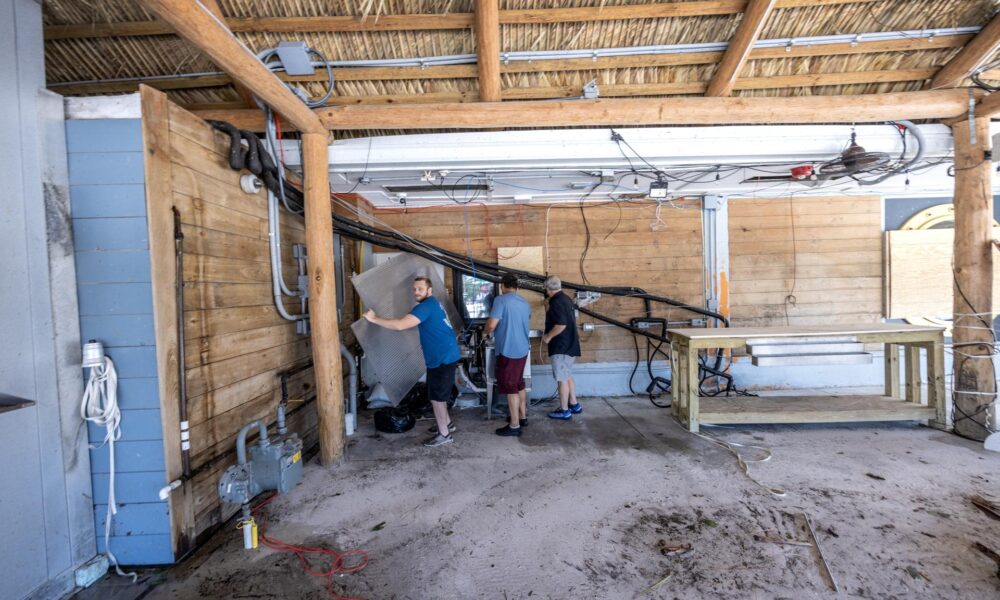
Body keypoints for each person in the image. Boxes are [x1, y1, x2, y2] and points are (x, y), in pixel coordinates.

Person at [364, 276, 461, 447]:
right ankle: (448, 425)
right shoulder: (432, 304)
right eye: (415, 289)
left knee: (437, 399)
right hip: (443, 356)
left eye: (420, 289)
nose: (416, 292)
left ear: (429, 291)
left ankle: (444, 435)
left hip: (442, 358)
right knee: (436, 395)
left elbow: (401, 325)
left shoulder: (425, 307)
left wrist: (374, 319)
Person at [484, 274, 531, 437]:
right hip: (523, 349)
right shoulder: (524, 303)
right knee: (519, 384)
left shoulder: (500, 300)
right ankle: (523, 417)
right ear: (516, 287)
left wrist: (486, 333)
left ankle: (514, 425)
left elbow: (492, 324)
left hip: (508, 350)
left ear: (502, 286)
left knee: (511, 387)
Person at [541, 276, 582, 420]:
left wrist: (548, 337)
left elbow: (561, 324)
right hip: (571, 344)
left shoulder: (557, 302)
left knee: (562, 379)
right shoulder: (566, 299)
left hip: (561, 347)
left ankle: (564, 410)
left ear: (547, 288)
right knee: (567, 375)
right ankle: (574, 404)